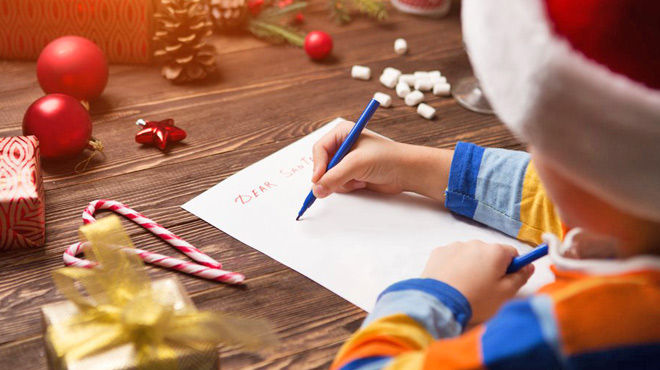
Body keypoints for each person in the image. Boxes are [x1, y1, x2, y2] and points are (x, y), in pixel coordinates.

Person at [319, 0, 660, 368]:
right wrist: (417, 168)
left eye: (538, 141)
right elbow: (586, 202)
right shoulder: (632, 211)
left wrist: (441, 294)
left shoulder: (559, 339)